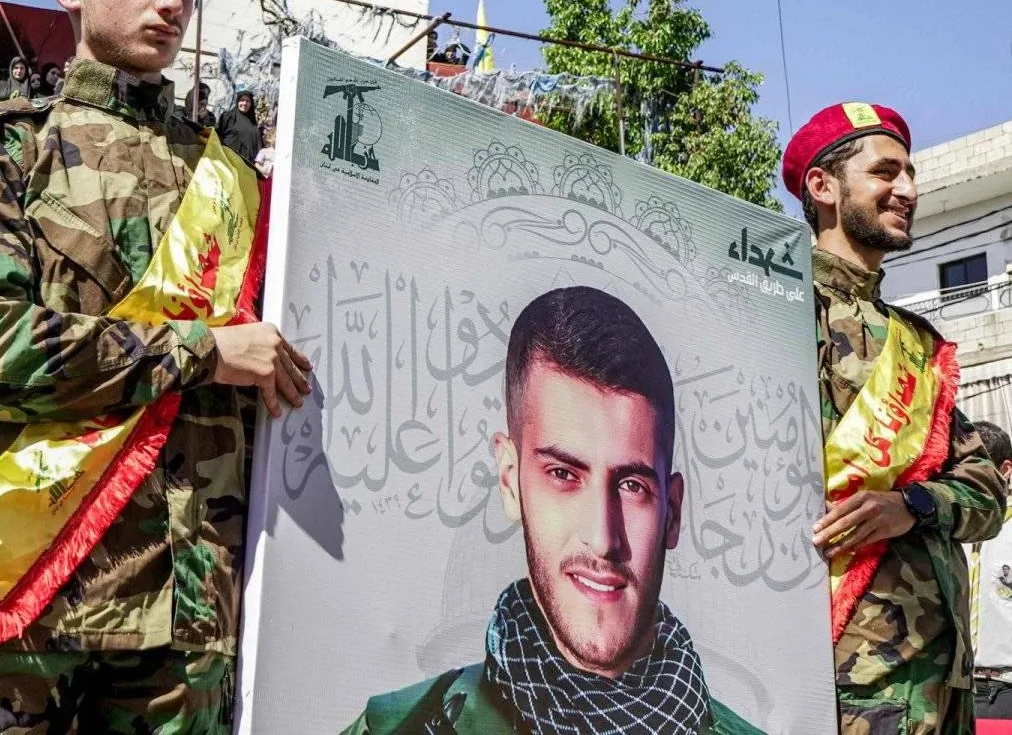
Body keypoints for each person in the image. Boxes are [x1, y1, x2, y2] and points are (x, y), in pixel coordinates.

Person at [0, 0, 310, 735]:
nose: (172, 3)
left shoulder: (232, 182)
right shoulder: (0, 153)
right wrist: (200, 351)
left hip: (191, 608)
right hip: (31, 590)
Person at [348, 287, 757, 735]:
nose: (603, 537)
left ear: (672, 513)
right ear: (510, 481)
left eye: (632, 485)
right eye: (563, 475)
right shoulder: (403, 727)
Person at [784, 102, 1007, 734]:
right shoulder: (777, 309)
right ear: (824, 187)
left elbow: (987, 492)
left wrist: (913, 505)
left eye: (910, 174)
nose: (908, 190)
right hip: (845, 684)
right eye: (886, 173)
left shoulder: (917, 342)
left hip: (943, 683)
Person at [970, 420, 1012, 719]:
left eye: (972, 467)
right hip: (953, 691)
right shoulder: (947, 531)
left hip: (1004, 690)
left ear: (1005, 470)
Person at [217, 89, 262, 166]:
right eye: (242, 100)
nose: (244, 103)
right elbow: (217, 135)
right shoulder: (228, 117)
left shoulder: (252, 123)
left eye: (247, 101)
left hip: (248, 165)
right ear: (237, 102)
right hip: (229, 162)